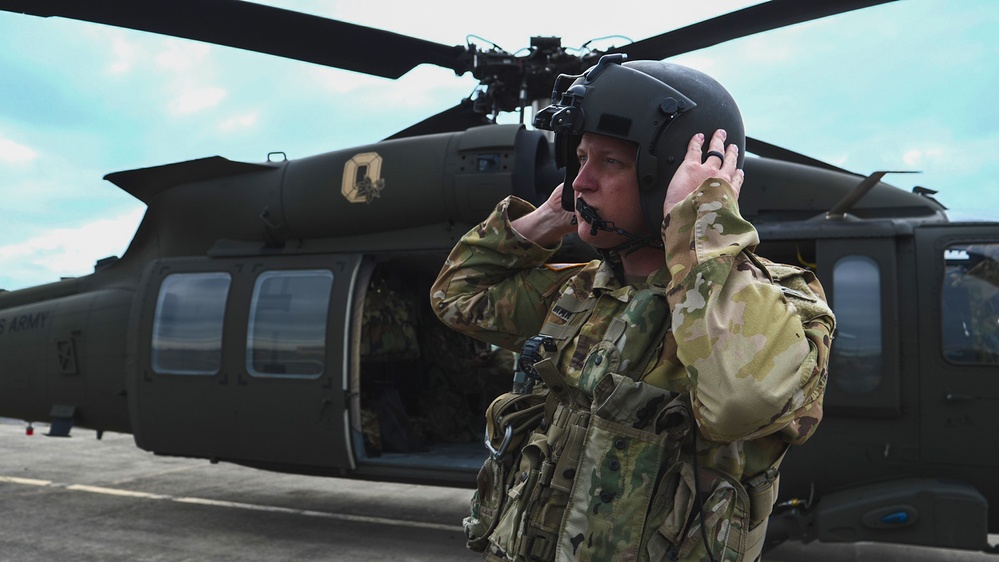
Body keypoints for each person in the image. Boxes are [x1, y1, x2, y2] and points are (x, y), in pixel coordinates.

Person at [431, 54, 835, 562]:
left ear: (668, 178)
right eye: (579, 160)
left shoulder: (780, 303)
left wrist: (699, 226)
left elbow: (740, 402)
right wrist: (548, 218)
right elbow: (459, 297)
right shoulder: (586, 294)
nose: (582, 181)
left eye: (610, 163)